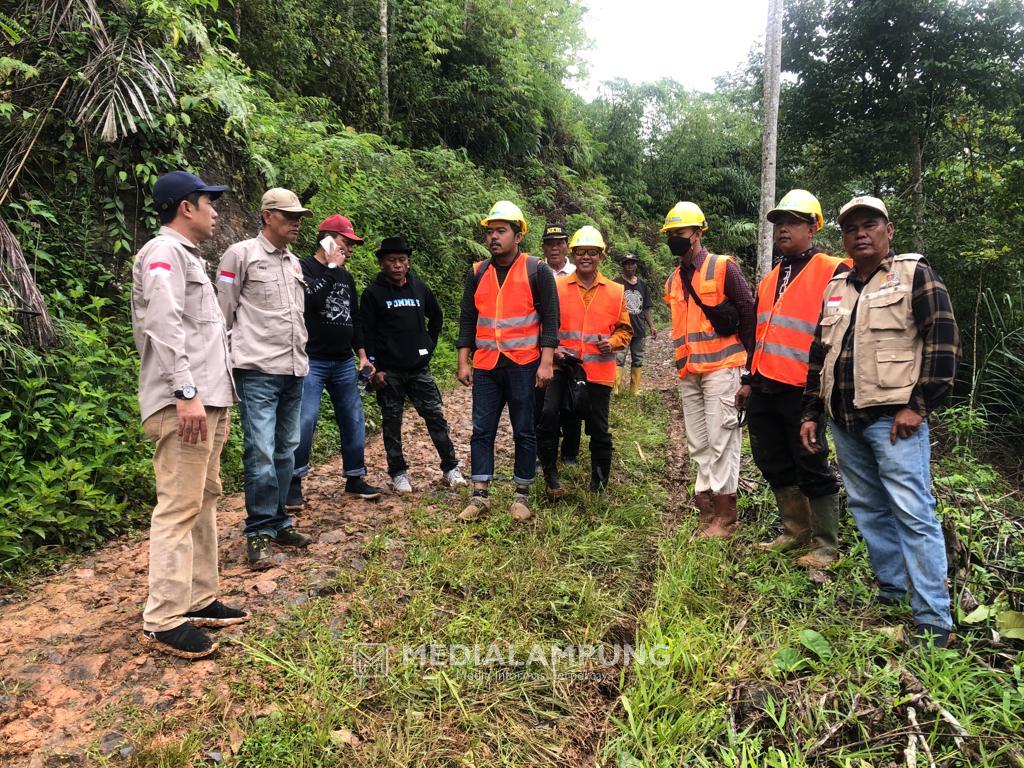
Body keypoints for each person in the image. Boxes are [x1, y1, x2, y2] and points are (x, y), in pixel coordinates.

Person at [800, 195, 959, 648]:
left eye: (870, 225)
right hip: (844, 421)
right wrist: (812, 411)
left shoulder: (913, 274)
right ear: (844, 238)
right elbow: (820, 355)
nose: (861, 233)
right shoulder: (837, 286)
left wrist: (919, 405)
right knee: (868, 507)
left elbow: (943, 340)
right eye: (852, 229)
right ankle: (892, 591)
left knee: (913, 513)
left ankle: (932, 621)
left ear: (888, 231)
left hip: (893, 421)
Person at [132, 170, 246, 660]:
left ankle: (198, 597)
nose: (215, 210)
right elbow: (163, 323)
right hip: (187, 402)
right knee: (179, 505)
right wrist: (185, 392)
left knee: (205, 497)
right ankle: (162, 619)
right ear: (185, 207)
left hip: (208, 399)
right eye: (208, 201)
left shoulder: (187, 258)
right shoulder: (162, 254)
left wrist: (204, 395)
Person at [735, 190, 848, 568]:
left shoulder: (834, 269)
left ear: (813, 227)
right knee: (772, 459)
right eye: (779, 222)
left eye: (794, 222)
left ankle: (826, 544)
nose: (783, 228)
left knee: (811, 459)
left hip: (804, 388)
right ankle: (794, 530)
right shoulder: (770, 279)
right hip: (767, 384)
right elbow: (761, 335)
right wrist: (749, 379)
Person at [217, 188, 315, 570]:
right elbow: (222, 314)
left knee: (286, 449)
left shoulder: (293, 263)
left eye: (299, 217)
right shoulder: (241, 255)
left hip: (293, 369)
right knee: (259, 451)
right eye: (289, 215)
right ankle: (259, 530)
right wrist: (223, 365)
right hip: (257, 370)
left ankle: (279, 521)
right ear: (267, 215)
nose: (296, 222)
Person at [456, 200, 558, 522]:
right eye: (490, 232)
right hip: (486, 364)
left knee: (524, 429)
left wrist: (546, 362)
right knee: (481, 430)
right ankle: (480, 494)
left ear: (518, 236)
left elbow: (551, 320)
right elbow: (467, 320)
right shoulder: (478, 272)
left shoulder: (536, 270)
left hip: (523, 363)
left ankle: (521, 495)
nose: (493, 237)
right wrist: (463, 361)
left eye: (501, 231)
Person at [662, 201, 756, 538]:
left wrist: (750, 374)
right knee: (698, 442)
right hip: (690, 372)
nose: (675, 238)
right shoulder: (674, 278)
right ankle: (706, 507)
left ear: (698, 233)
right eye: (670, 234)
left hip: (724, 368)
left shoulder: (722, 268)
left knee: (722, 440)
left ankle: (726, 516)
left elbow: (748, 313)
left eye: (681, 232)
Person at [286, 214, 384, 512]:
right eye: (345, 242)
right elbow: (310, 301)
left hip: (342, 360)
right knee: (305, 419)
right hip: (312, 359)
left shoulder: (347, 277)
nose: (349, 250)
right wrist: (330, 267)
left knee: (353, 419)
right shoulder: (302, 267)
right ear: (327, 240)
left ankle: (355, 477)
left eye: (351, 245)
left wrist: (363, 355)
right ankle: (293, 482)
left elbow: (355, 319)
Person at [360, 236, 467, 492]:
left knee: (435, 417)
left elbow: (437, 316)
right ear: (382, 263)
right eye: (391, 260)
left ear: (408, 262)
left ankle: (451, 468)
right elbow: (366, 332)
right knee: (392, 422)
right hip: (389, 372)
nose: (397, 265)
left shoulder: (419, 289)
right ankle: (398, 473)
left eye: (402, 260)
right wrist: (375, 367)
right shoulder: (373, 294)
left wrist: (428, 345)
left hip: (419, 369)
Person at [539, 226, 631, 496]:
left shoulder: (615, 291)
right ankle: (550, 479)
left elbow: (625, 330)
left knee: (598, 428)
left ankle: (599, 485)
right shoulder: (556, 287)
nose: (586, 257)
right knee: (548, 416)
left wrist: (611, 343)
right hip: (561, 367)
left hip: (598, 371)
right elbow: (542, 324)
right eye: (580, 252)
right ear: (573, 254)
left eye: (592, 252)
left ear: (601, 256)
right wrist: (552, 351)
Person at [538, 222, 581, 465]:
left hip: (573, 347)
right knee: (544, 406)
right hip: (543, 349)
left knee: (572, 403)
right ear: (543, 247)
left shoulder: (578, 272)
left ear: (566, 246)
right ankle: (544, 452)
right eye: (549, 244)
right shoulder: (535, 272)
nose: (554, 248)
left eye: (559, 243)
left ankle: (570, 453)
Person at [613, 253, 657, 396]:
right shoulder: (616, 283)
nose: (630, 266)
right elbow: (610, 307)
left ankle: (634, 390)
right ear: (623, 266)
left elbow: (645, 308)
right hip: (622, 329)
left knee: (638, 359)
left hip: (639, 329)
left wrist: (652, 326)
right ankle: (615, 390)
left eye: (632, 263)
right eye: (627, 263)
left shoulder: (642, 285)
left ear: (636, 265)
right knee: (619, 359)